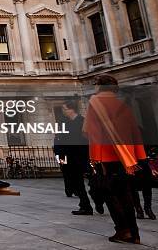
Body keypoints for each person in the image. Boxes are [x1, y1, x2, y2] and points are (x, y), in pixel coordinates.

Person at [83, 74, 146, 245]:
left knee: (110, 194)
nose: (94, 87)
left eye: (96, 84)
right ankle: (135, 233)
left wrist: (94, 159)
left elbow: (92, 133)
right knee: (126, 194)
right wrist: (138, 156)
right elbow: (135, 131)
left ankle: (122, 230)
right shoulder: (122, 104)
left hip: (106, 157)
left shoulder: (95, 103)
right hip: (126, 156)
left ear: (100, 86)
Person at [55, 100, 93, 215]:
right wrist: (60, 159)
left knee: (92, 182)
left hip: (82, 156)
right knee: (76, 182)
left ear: (72, 109)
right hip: (68, 157)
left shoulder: (83, 122)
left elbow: (88, 140)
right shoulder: (63, 123)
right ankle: (85, 205)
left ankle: (95, 200)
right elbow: (58, 141)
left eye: (64, 109)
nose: (63, 112)